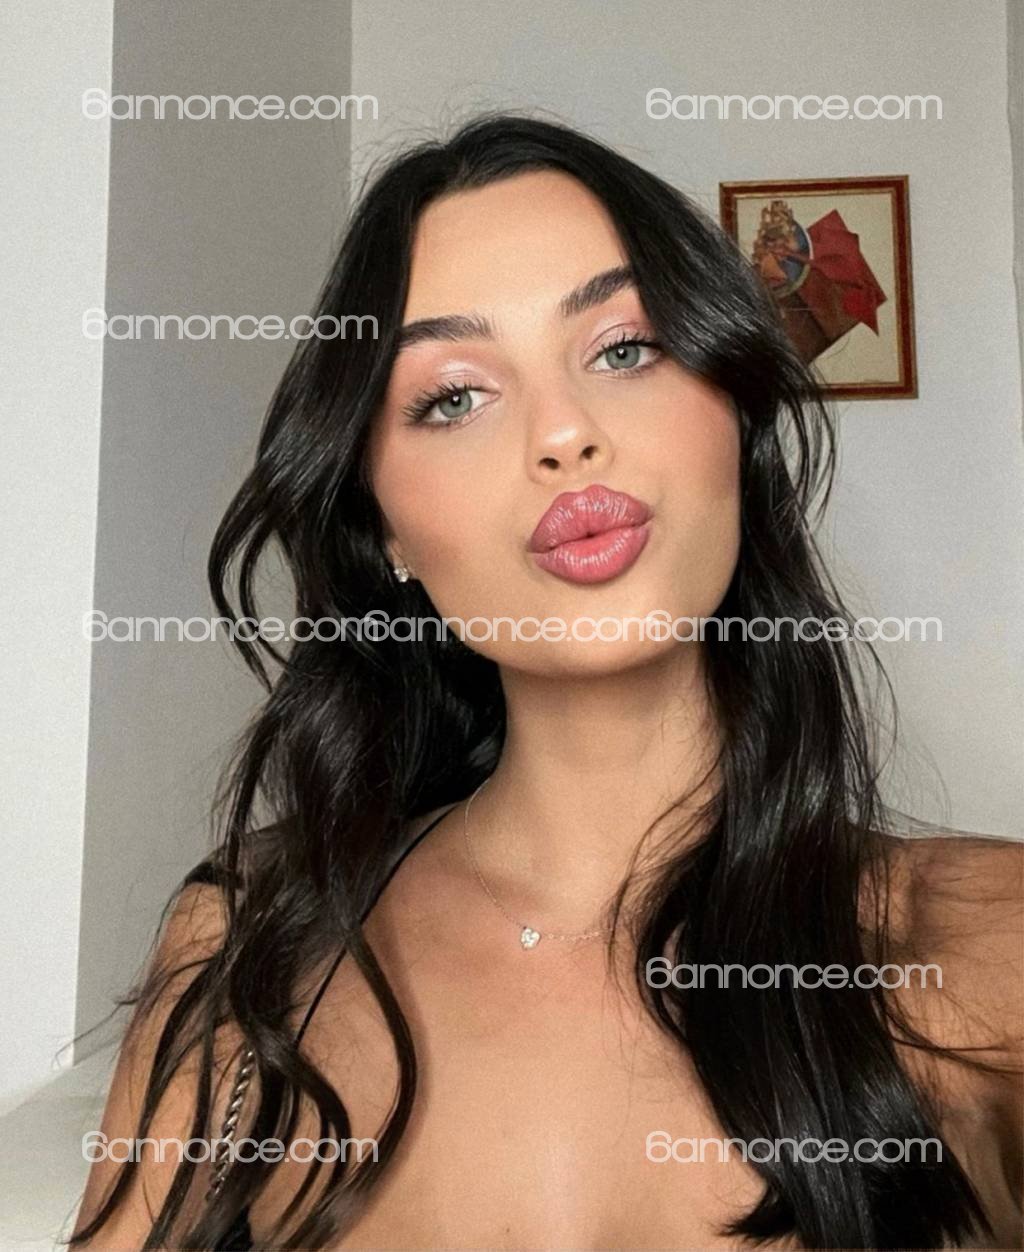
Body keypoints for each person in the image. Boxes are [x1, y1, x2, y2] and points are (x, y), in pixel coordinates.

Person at [70, 114, 1022, 1251]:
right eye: (453, 396)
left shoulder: (989, 942)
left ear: (734, 414)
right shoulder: (246, 943)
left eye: (624, 348)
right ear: (387, 531)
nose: (564, 433)